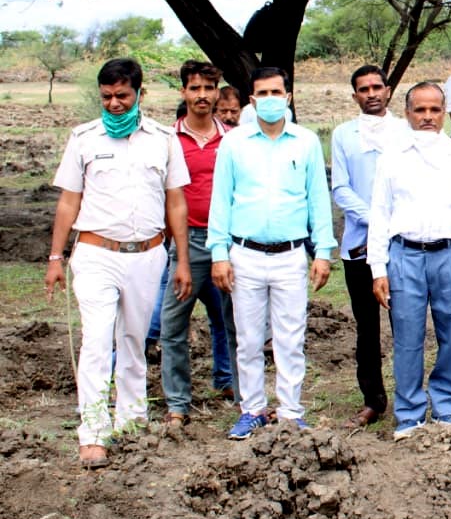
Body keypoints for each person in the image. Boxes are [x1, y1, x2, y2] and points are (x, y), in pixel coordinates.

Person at [45, 58, 191, 467]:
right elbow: (68, 201)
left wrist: (180, 260)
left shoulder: (162, 139)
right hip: (95, 255)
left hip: (147, 256)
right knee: (95, 341)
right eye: (107, 96)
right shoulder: (84, 139)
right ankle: (92, 431)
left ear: (139, 95)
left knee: (134, 342)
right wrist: (56, 257)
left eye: (122, 96)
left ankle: (132, 423)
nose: (113, 104)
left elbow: (175, 201)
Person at [209, 67, 335, 440]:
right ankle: (252, 409)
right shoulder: (234, 144)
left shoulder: (306, 142)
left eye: (275, 93)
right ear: (251, 101)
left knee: (290, 337)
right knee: (248, 339)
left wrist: (323, 251)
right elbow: (222, 200)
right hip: (244, 253)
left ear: (288, 97)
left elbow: (317, 199)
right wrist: (219, 252)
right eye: (261, 94)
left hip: (290, 254)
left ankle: (291, 411)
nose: (269, 100)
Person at [368, 83, 451, 437]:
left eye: (434, 110)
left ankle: (447, 407)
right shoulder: (391, 157)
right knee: (407, 335)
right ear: (407, 113)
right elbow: (380, 214)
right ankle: (409, 413)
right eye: (419, 110)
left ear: (444, 113)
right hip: (404, 255)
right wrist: (379, 268)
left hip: (450, 254)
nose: (427, 117)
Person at [158, 60, 240, 425]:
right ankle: (178, 403)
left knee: (238, 322)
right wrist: (174, 250)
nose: (202, 96)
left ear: (217, 92)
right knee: (172, 325)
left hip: (228, 242)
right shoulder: (166, 140)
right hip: (185, 241)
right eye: (195, 88)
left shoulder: (234, 139)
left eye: (209, 89)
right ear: (184, 93)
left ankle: (244, 396)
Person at [331, 65, 403, 428]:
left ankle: (409, 397)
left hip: (402, 246)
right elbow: (341, 188)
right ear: (355, 95)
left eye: (377, 87)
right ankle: (372, 400)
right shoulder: (344, 135)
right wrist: (376, 220)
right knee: (366, 327)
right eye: (364, 89)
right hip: (359, 246)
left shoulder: (406, 132)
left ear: (388, 91)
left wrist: (395, 223)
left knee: (404, 323)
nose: (371, 93)